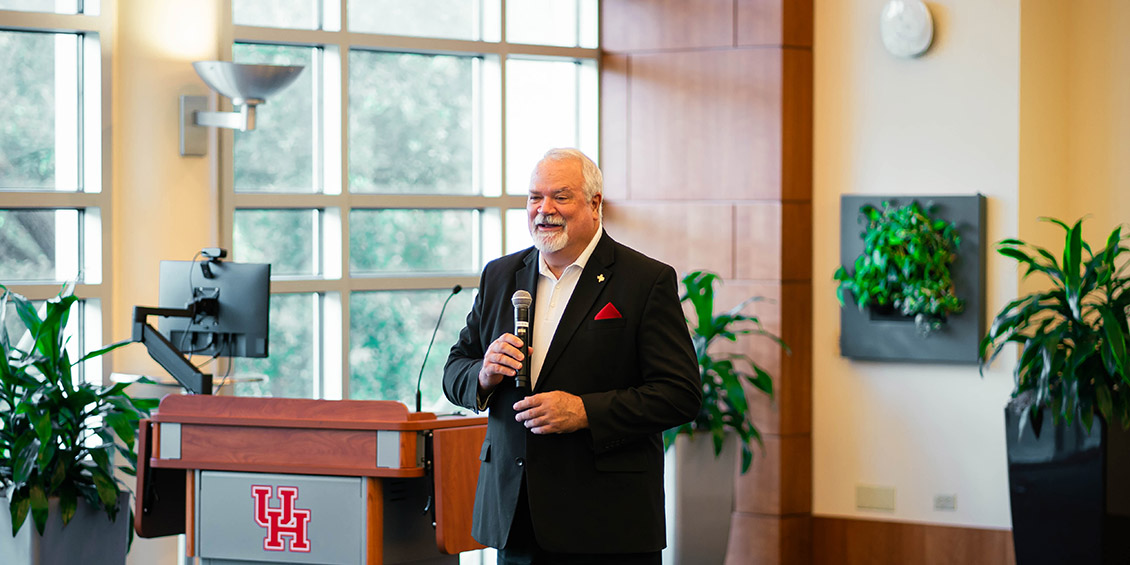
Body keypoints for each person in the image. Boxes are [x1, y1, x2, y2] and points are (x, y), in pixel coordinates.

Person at [443, 148, 702, 564]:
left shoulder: (645, 280)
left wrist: (584, 411)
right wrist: (483, 374)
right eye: (534, 197)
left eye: (560, 197)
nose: (544, 210)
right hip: (516, 516)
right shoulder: (500, 275)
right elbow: (455, 368)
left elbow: (680, 394)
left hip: (608, 522)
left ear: (594, 203)